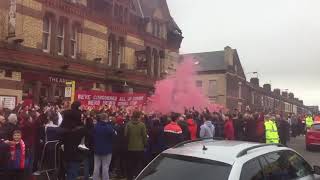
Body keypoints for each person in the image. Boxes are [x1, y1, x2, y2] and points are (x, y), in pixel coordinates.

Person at [60, 101, 87, 180]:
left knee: (68, 171)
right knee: (73, 172)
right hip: (76, 154)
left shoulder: (64, 127)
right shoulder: (80, 129)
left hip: (66, 152)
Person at [92, 113, 116, 180]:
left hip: (97, 149)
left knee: (96, 166)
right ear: (106, 118)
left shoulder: (95, 127)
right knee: (105, 167)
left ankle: (95, 178)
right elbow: (114, 136)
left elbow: (92, 137)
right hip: (107, 150)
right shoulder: (109, 127)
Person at [125, 111, 147, 180]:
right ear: (139, 116)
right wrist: (145, 145)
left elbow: (125, 135)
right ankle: (138, 177)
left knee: (130, 164)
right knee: (138, 164)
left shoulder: (128, 124)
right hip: (140, 148)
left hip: (130, 147)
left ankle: (130, 177)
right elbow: (144, 136)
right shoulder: (142, 125)